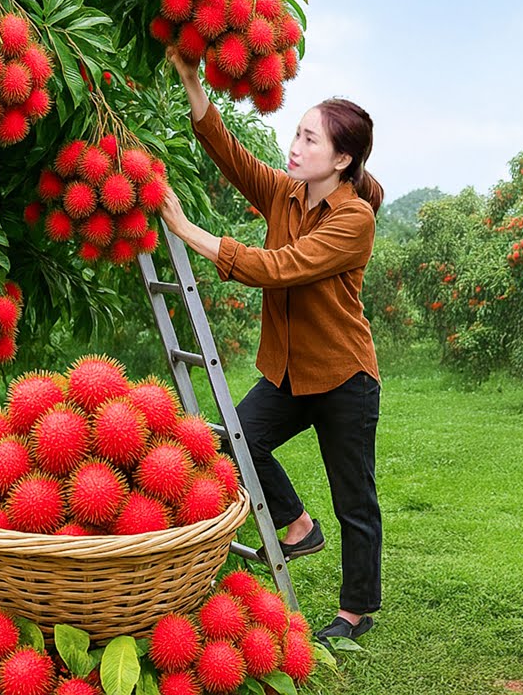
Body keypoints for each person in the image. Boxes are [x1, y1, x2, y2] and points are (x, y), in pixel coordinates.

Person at [159, 46, 383, 643]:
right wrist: (192, 83)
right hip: (287, 372)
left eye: (311, 140)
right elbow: (230, 155)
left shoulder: (353, 219)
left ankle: (356, 611)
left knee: (354, 498)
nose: (296, 146)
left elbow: (279, 267)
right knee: (230, 441)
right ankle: (295, 524)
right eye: (298, 134)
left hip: (342, 377)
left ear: (342, 159)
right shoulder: (284, 193)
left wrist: (187, 231)